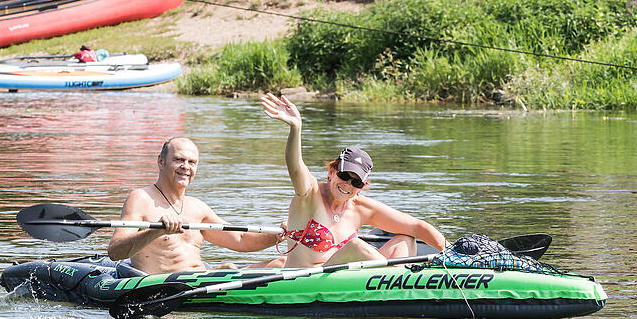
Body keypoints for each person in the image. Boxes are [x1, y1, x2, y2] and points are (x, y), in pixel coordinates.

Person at [261, 93, 446, 268]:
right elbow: (295, 166)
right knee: (356, 246)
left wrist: (454, 252)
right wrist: (296, 128)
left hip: (349, 281)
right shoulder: (309, 194)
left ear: (363, 187)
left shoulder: (360, 208)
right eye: (344, 176)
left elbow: (417, 226)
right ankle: (400, 282)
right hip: (306, 280)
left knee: (406, 239)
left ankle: (399, 289)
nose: (347, 185)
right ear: (332, 172)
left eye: (356, 182)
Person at [108, 137, 284, 274]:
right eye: (179, 160)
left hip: (201, 278)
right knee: (229, 268)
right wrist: (157, 231)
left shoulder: (197, 207)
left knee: (282, 262)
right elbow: (116, 253)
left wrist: (276, 235)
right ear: (161, 162)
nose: (186, 167)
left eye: (192, 162)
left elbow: (240, 239)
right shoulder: (141, 198)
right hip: (166, 286)